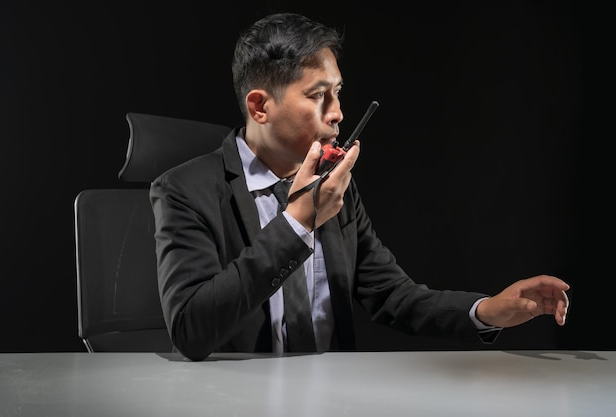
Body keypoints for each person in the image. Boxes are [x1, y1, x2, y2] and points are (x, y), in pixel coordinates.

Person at [149, 12, 570, 361]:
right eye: (318, 96)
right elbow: (191, 329)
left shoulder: (335, 189)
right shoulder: (184, 190)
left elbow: (392, 295)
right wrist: (297, 224)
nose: (337, 113)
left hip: (331, 397)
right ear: (260, 106)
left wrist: (488, 311)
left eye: (338, 93)